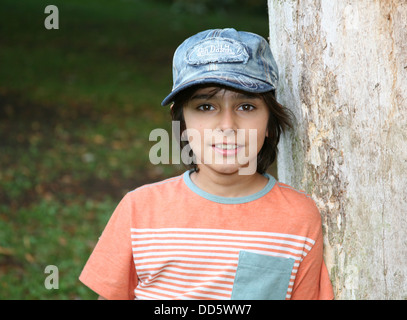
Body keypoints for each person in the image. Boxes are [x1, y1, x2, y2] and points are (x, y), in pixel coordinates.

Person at [79, 28, 334, 300]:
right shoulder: (138, 210)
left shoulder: (299, 218)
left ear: (270, 122)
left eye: (246, 106)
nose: (227, 126)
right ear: (182, 122)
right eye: (205, 107)